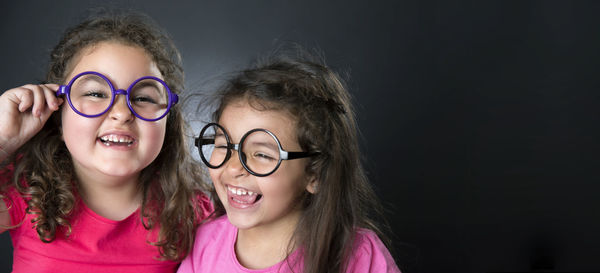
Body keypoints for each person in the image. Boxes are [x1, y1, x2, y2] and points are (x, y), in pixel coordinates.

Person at [0, 11, 212, 272]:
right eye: (96, 93)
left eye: (143, 98)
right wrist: (2, 140)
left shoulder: (192, 211)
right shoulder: (24, 190)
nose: (122, 113)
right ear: (58, 111)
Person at [178, 49, 400, 273]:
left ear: (315, 174)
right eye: (224, 145)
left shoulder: (359, 256)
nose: (234, 166)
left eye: (262, 154)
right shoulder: (203, 244)